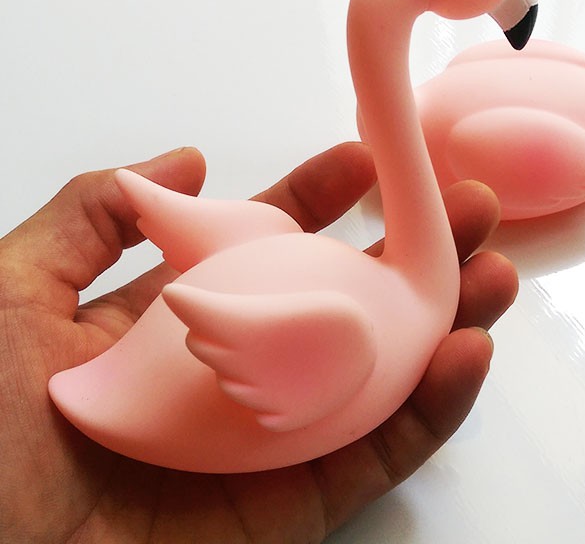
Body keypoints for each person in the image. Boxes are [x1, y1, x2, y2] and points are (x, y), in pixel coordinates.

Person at [0, 142, 517, 543]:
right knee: (340, 329)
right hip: (130, 408)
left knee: (274, 230)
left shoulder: (288, 242)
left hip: (131, 390)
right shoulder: (360, 332)